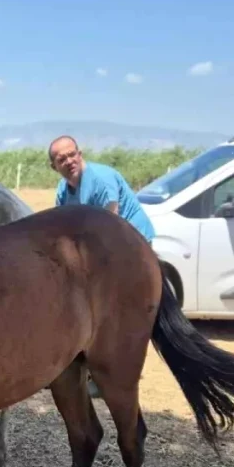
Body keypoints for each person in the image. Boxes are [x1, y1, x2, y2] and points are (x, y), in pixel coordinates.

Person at [49, 135, 156, 398]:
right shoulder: (64, 192)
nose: (69, 161)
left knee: (116, 315)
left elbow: (111, 223)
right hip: (98, 249)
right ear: (54, 166)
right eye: (61, 159)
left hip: (129, 246)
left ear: (80, 153)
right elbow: (62, 229)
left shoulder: (102, 179)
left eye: (72, 154)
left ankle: (115, 372)